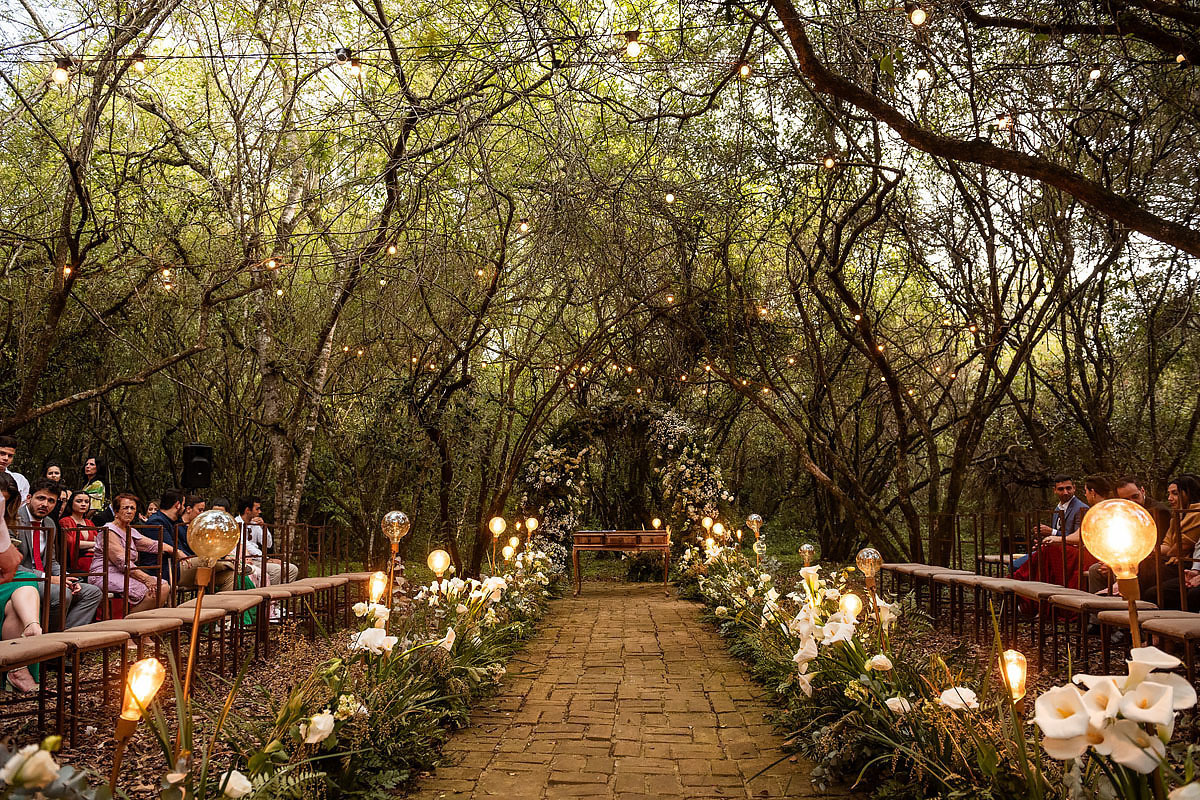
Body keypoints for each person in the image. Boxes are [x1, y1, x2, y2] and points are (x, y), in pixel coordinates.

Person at [15, 479, 103, 629]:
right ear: (29, 498)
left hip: (47, 578)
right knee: (61, 593)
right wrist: (48, 578)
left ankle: (68, 637)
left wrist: (65, 577)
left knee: (92, 592)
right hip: (21, 577)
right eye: (40, 498)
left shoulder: (49, 523)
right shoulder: (14, 519)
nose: (45, 504)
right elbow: (13, 565)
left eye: (51, 501)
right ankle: (49, 640)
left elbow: (52, 561)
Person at [0, 473, 46, 692]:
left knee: (22, 588)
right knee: (24, 580)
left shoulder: (4, 520)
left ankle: (32, 627)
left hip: (6, 576)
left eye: (5, 501)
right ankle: (18, 668)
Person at [88, 493, 172, 614]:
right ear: (116, 512)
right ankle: (129, 623)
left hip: (125, 572)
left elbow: (151, 545)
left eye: (132, 508)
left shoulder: (129, 530)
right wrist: (146, 579)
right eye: (125, 508)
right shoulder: (109, 530)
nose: (129, 511)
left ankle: (142, 626)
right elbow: (122, 561)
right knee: (153, 590)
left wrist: (176, 551)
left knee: (164, 586)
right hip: (104, 574)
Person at [1087, 477, 1173, 594]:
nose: (1132, 502)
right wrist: (1112, 560)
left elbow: (1155, 547)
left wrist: (1118, 563)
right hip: (1126, 558)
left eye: (1135, 496)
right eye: (1126, 499)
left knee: (1117, 570)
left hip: (1151, 561)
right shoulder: (1122, 512)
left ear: (1142, 491)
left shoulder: (1158, 512)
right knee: (1095, 570)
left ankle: (1122, 604)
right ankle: (1098, 609)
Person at [236, 498, 298, 585]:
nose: (260, 512)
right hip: (248, 559)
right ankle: (269, 596)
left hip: (259, 558)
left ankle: (279, 595)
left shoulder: (255, 523)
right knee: (277, 571)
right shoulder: (236, 524)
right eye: (257, 509)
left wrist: (263, 527)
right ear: (247, 510)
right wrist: (266, 559)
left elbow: (268, 544)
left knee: (292, 569)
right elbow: (246, 545)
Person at [59, 490, 99, 572]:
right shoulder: (65, 521)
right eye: (79, 501)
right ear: (71, 503)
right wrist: (94, 545)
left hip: (94, 562)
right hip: (74, 564)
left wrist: (88, 546)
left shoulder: (89, 522)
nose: (83, 504)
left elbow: (99, 541)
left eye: (86, 502)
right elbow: (71, 542)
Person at [0, 436, 30, 505]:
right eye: (2, 453)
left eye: (10, 456)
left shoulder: (20, 480)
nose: (6, 458)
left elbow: (22, 507)